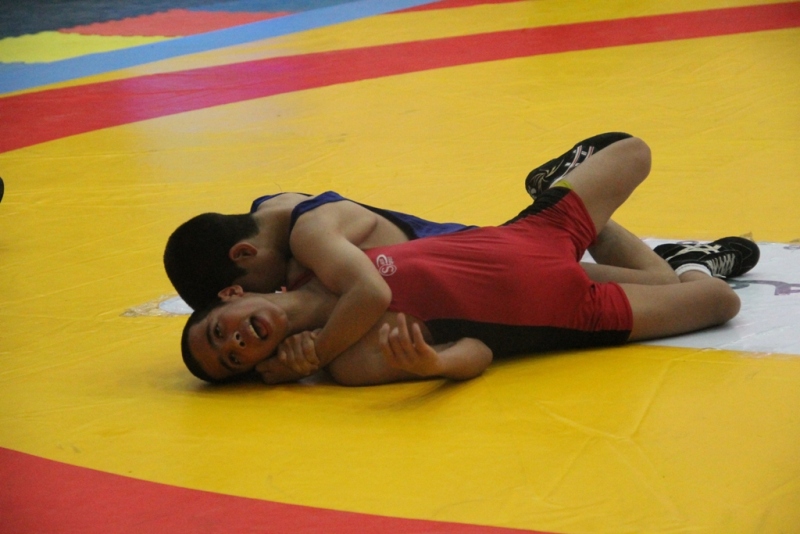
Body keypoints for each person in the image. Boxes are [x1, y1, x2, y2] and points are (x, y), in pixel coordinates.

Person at [179, 136, 759, 386]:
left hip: (527, 236)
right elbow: (478, 350)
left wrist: (316, 351)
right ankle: (691, 263)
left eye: (219, 332)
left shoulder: (311, 259)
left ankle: (563, 196)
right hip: (569, 309)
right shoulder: (351, 363)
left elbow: (369, 289)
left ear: (232, 294)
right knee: (716, 300)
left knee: (632, 150)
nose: (236, 342)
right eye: (233, 359)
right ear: (254, 368)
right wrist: (436, 364)